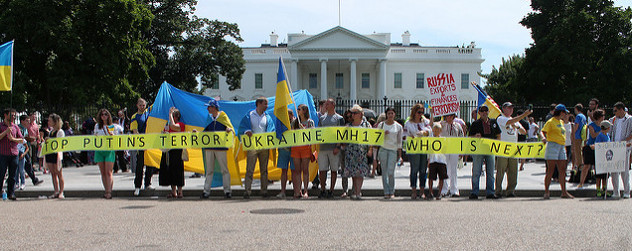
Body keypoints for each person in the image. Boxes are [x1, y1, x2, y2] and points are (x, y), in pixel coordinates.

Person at [238, 97, 275, 198]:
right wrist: (246, 131)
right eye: (265, 104)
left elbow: (272, 129)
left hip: (264, 146)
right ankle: (247, 191)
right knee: (250, 169)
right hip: (252, 145)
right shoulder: (249, 115)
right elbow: (242, 127)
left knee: (264, 169)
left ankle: (264, 191)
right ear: (258, 104)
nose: (267, 106)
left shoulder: (267, 117)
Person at [495, 102, 531, 198]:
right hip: (503, 148)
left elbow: (523, 132)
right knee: (501, 170)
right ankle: (498, 191)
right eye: (508, 108)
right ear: (503, 109)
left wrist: (517, 126)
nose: (511, 110)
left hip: (513, 149)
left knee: (513, 170)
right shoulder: (500, 118)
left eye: (512, 108)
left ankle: (510, 191)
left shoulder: (514, 120)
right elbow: (508, 123)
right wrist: (524, 115)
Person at [200, 99, 234, 199]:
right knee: (209, 170)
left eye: (209, 107)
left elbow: (230, 128)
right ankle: (206, 191)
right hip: (209, 147)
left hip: (221, 148)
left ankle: (227, 191)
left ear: (214, 108)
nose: (207, 109)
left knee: (224, 169)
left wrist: (228, 129)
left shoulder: (223, 116)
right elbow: (205, 130)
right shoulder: (208, 118)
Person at [542, 104, 574, 199]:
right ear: (561, 112)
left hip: (561, 146)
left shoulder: (561, 122)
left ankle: (564, 192)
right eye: (565, 113)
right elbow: (543, 131)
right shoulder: (551, 121)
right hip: (553, 145)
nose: (566, 115)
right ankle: (547, 192)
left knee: (562, 170)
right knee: (550, 170)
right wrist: (544, 138)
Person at [468, 105, 501, 199]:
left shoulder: (493, 122)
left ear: (488, 112)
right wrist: (475, 137)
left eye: (486, 111)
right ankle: (474, 192)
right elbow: (469, 137)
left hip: (490, 150)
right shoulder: (475, 123)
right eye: (482, 111)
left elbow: (499, 135)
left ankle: (490, 192)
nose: (484, 113)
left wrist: (497, 145)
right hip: (478, 150)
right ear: (479, 113)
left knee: (490, 172)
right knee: (476, 172)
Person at [317, 98, 345, 199]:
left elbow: (341, 134)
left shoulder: (339, 118)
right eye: (325, 104)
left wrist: (338, 146)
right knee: (322, 170)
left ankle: (331, 190)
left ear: (333, 105)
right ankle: (323, 189)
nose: (326, 106)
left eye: (328, 104)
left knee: (334, 170)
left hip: (334, 148)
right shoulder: (322, 118)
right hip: (323, 148)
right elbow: (318, 132)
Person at [342, 105, 372, 199]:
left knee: (360, 172)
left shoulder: (366, 125)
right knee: (353, 173)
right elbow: (343, 138)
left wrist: (370, 149)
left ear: (360, 114)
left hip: (362, 152)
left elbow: (371, 138)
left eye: (355, 113)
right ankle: (355, 190)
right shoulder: (348, 126)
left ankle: (358, 192)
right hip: (351, 152)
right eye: (352, 113)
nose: (353, 115)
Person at [403, 103, 431, 199]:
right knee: (414, 169)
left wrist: (425, 132)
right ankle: (414, 190)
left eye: (422, 112)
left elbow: (430, 130)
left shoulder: (425, 122)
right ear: (414, 112)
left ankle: (422, 191)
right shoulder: (408, 123)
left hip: (423, 148)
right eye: (419, 112)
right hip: (414, 149)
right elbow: (404, 135)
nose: (421, 114)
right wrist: (410, 136)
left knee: (423, 170)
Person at [375, 107, 403, 199]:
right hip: (383, 149)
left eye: (392, 113)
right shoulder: (381, 125)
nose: (390, 115)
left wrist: (400, 155)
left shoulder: (398, 126)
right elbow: (376, 138)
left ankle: (391, 190)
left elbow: (399, 142)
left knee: (391, 171)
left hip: (393, 150)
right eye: (389, 113)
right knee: (384, 171)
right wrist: (383, 134)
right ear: (386, 115)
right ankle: (386, 191)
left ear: (394, 114)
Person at [159, 107, 186, 198]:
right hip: (169, 150)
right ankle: (173, 191)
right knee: (170, 170)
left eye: (173, 116)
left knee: (178, 170)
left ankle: (180, 191)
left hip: (178, 150)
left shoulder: (181, 124)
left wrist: (170, 114)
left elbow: (173, 126)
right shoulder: (167, 125)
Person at [131, 98, 156, 196]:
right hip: (141, 144)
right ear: (137, 105)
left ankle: (147, 183)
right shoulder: (135, 116)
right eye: (140, 105)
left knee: (150, 164)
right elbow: (135, 131)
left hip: (150, 143)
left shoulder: (149, 111)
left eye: (144, 105)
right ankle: (137, 186)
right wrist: (142, 143)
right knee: (139, 165)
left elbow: (157, 102)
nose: (142, 107)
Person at [578, 109, 606, 194]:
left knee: (598, 167)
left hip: (599, 148)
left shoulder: (604, 125)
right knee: (586, 166)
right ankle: (581, 183)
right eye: (603, 116)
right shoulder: (591, 125)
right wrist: (601, 131)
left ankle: (600, 187)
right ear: (600, 117)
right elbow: (593, 135)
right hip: (590, 147)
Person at [290, 104, 315, 199]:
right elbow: (291, 134)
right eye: (297, 109)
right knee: (297, 171)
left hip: (305, 148)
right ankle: (298, 190)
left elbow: (312, 134)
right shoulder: (294, 122)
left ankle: (305, 190)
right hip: (296, 148)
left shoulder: (310, 122)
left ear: (304, 111)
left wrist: (304, 129)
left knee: (305, 170)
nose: (297, 110)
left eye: (299, 109)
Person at [94, 109, 119, 199]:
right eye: (102, 115)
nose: (104, 116)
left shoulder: (112, 126)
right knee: (103, 172)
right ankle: (106, 190)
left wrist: (110, 134)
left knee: (108, 172)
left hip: (109, 150)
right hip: (100, 150)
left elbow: (115, 137)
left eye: (105, 114)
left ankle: (109, 191)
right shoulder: (97, 126)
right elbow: (95, 136)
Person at [608, 102, 632, 199]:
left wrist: (625, 141)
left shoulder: (630, 119)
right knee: (614, 170)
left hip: (625, 147)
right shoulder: (613, 120)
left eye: (616, 110)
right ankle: (616, 192)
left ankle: (626, 192)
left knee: (624, 170)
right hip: (614, 147)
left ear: (621, 109)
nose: (614, 112)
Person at [0, 109, 24, 200]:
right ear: (5, 115)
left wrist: (13, 139)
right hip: (3, 153)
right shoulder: (1, 126)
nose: (13, 117)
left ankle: (11, 193)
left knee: (13, 175)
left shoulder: (15, 127)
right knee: (1, 174)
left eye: (14, 115)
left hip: (14, 154)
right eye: (12, 115)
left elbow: (21, 139)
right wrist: (5, 132)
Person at [440, 113, 464, 197]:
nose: (449, 117)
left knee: (453, 170)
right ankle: (444, 189)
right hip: (444, 149)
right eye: (447, 116)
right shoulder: (441, 124)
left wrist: (461, 150)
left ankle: (454, 189)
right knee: (444, 169)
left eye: (451, 116)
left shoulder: (457, 125)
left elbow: (461, 137)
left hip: (454, 148)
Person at [17, 114, 44, 187]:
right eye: (26, 121)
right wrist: (29, 138)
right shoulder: (19, 128)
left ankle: (34, 179)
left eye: (29, 121)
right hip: (20, 149)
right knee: (24, 165)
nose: (28, 123)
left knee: (27, 164)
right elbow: (22, 138)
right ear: (22, 121)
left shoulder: (25, 128)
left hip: (25, 148)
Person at [45, 113, 66, 199]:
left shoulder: (60, 131)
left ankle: (61, 191)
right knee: (53, 173)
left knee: (59, 173)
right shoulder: (51, 131)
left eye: (50, 120)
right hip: (50, 153)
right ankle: (56, 191)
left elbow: (60, 142)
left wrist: (50, 140)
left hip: (56, 154)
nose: (48, 122)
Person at [276, 109, 295, 199]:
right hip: (283, 150)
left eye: (289, 115)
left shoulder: (296, 123)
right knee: (284, 171)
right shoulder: (280, 124)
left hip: (294, 150)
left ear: (292, 115)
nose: (287, 117)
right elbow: (277, 133)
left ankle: (296, 190)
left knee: (295, 171)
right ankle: (283, 191)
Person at [427, 122, 448, 200]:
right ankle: (430, 192)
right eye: (435, 130)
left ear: (440, 131)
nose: (436, 132)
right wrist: (428, 159)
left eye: (438, 130)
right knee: (431, 177)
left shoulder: (443, 139)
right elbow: (428, 150)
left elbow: (446, 149)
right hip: (433, 160)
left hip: (441, 160)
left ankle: (439, 193)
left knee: (441, 177)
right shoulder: (430, 139)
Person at [572, 104, 586, 171]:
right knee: (580, 150)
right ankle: (580, 164)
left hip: (577, 135)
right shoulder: (583, 116)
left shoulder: (578, 116)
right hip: (582, 135)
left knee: (577, 151)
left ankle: (580, 166)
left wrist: (573, 134)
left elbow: (576, 125)